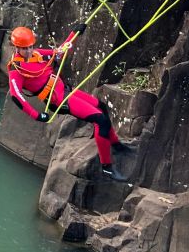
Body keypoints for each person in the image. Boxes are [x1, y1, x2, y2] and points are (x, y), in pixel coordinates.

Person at [7, 24, 131, 180]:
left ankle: (115, 145)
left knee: (101, 107)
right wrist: (36, 115)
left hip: (65, 90)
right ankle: (107, 167)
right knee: (101, 120)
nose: (29, 50)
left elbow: (60, 52)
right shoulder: (16, 70)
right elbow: (16, 95)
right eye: (25, 48)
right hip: (59, 100)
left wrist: (74, 33)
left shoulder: (37, 54)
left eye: (31, 46)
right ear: (16, 48)